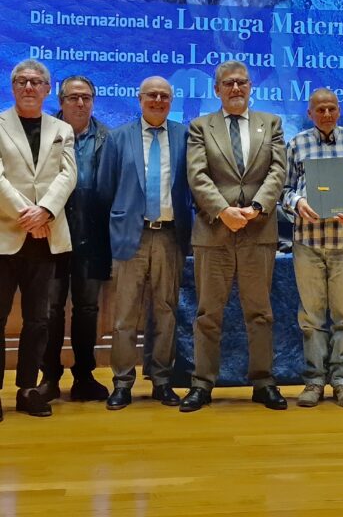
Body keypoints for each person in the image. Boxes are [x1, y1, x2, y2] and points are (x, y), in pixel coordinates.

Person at [181, 62, 287, 412]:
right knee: (208, 314)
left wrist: (256, 207)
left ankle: (263, 382)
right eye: (228, 83)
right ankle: (202, 384)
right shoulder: (200, 127)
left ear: (251, 86)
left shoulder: (271, 123)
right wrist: (224, 211)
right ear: (217, 90)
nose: (236, 88)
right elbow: (197, 176)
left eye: (242, 82)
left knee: (260, 313)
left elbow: (278, 170)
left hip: (258, 230)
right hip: (214, 231)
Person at [97, 76, 192, 410]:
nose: (158, 100)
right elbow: (105, 189)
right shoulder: (118, 137)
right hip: (130, 235)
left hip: (169, 235)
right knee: (125, 316)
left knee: (166, 312)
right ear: (139, 99)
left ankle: (162, 380)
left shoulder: (185, 136)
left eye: (164, 96)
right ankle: (122, 383)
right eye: (152, 95)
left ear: (171, 101)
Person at [282, 88, 343, 408]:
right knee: (311, 317)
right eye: (319, 109)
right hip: (307, 242)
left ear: (339, 110)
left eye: (331, 108)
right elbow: (285, 190)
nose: (326, 114)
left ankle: (342, 381)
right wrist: (297, 202)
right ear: (309, 113)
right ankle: (314, 381)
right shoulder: (297, 143)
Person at [0, 59, 77, 418]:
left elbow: (67, 176)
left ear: (48, 89)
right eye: (22, 81)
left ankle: (28, 389)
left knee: (38, 320)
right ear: (13, 87)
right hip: (6, 236)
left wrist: (45, 211)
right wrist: (28, 215)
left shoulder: (62, 129)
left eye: (36, 82)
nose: (29, 87)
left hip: (45, 238)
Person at [39, 75, 111, 403]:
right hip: (48, 236)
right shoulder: (45, 132)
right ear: (61, 101)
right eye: (73, 98)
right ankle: (49, 376)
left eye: (86, 98)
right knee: (50, 308)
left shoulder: (108, 138)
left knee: (87, 309)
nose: (80, 104)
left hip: (93, 237)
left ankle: (84, 376)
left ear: (93, 101)